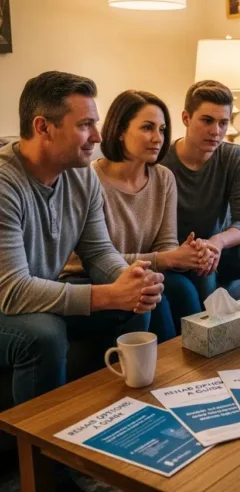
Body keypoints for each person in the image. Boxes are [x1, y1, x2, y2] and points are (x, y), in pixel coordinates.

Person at [0, 71, 164, 408]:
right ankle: (41, 454)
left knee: (135, 303)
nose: (98, 136)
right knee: (43, 333)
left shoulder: (82, 176)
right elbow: (13, 291)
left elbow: (99, 250)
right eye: (85, 125)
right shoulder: (5, 185)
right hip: (6, 302)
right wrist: (107, 295)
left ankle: (115, 413)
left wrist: (129, 280)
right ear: (43, 127)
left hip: (34, 292)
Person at [91, 90, 215, 342]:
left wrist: (188, 252)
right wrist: (168, 258)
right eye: (147, 127)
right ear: (119, 131)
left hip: (148, 271)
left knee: (184, 289)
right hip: (105, 276)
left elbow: (165, 243)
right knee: (157, 297)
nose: (158, 138)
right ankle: (168, 373)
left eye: (162, 129)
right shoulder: (91, 181)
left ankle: (203, 359)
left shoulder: (163, 177)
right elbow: (96, 259)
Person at [161, 80, 240, 302]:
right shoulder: (162, 161)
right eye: (207, 120)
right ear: (186, 118)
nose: (216, 131)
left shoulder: (233, 156)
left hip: (219, 248)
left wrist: (217, 241)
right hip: (178, 252)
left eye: (223, 123)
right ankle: (209, 335)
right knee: (203, 268)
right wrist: (197, 251)